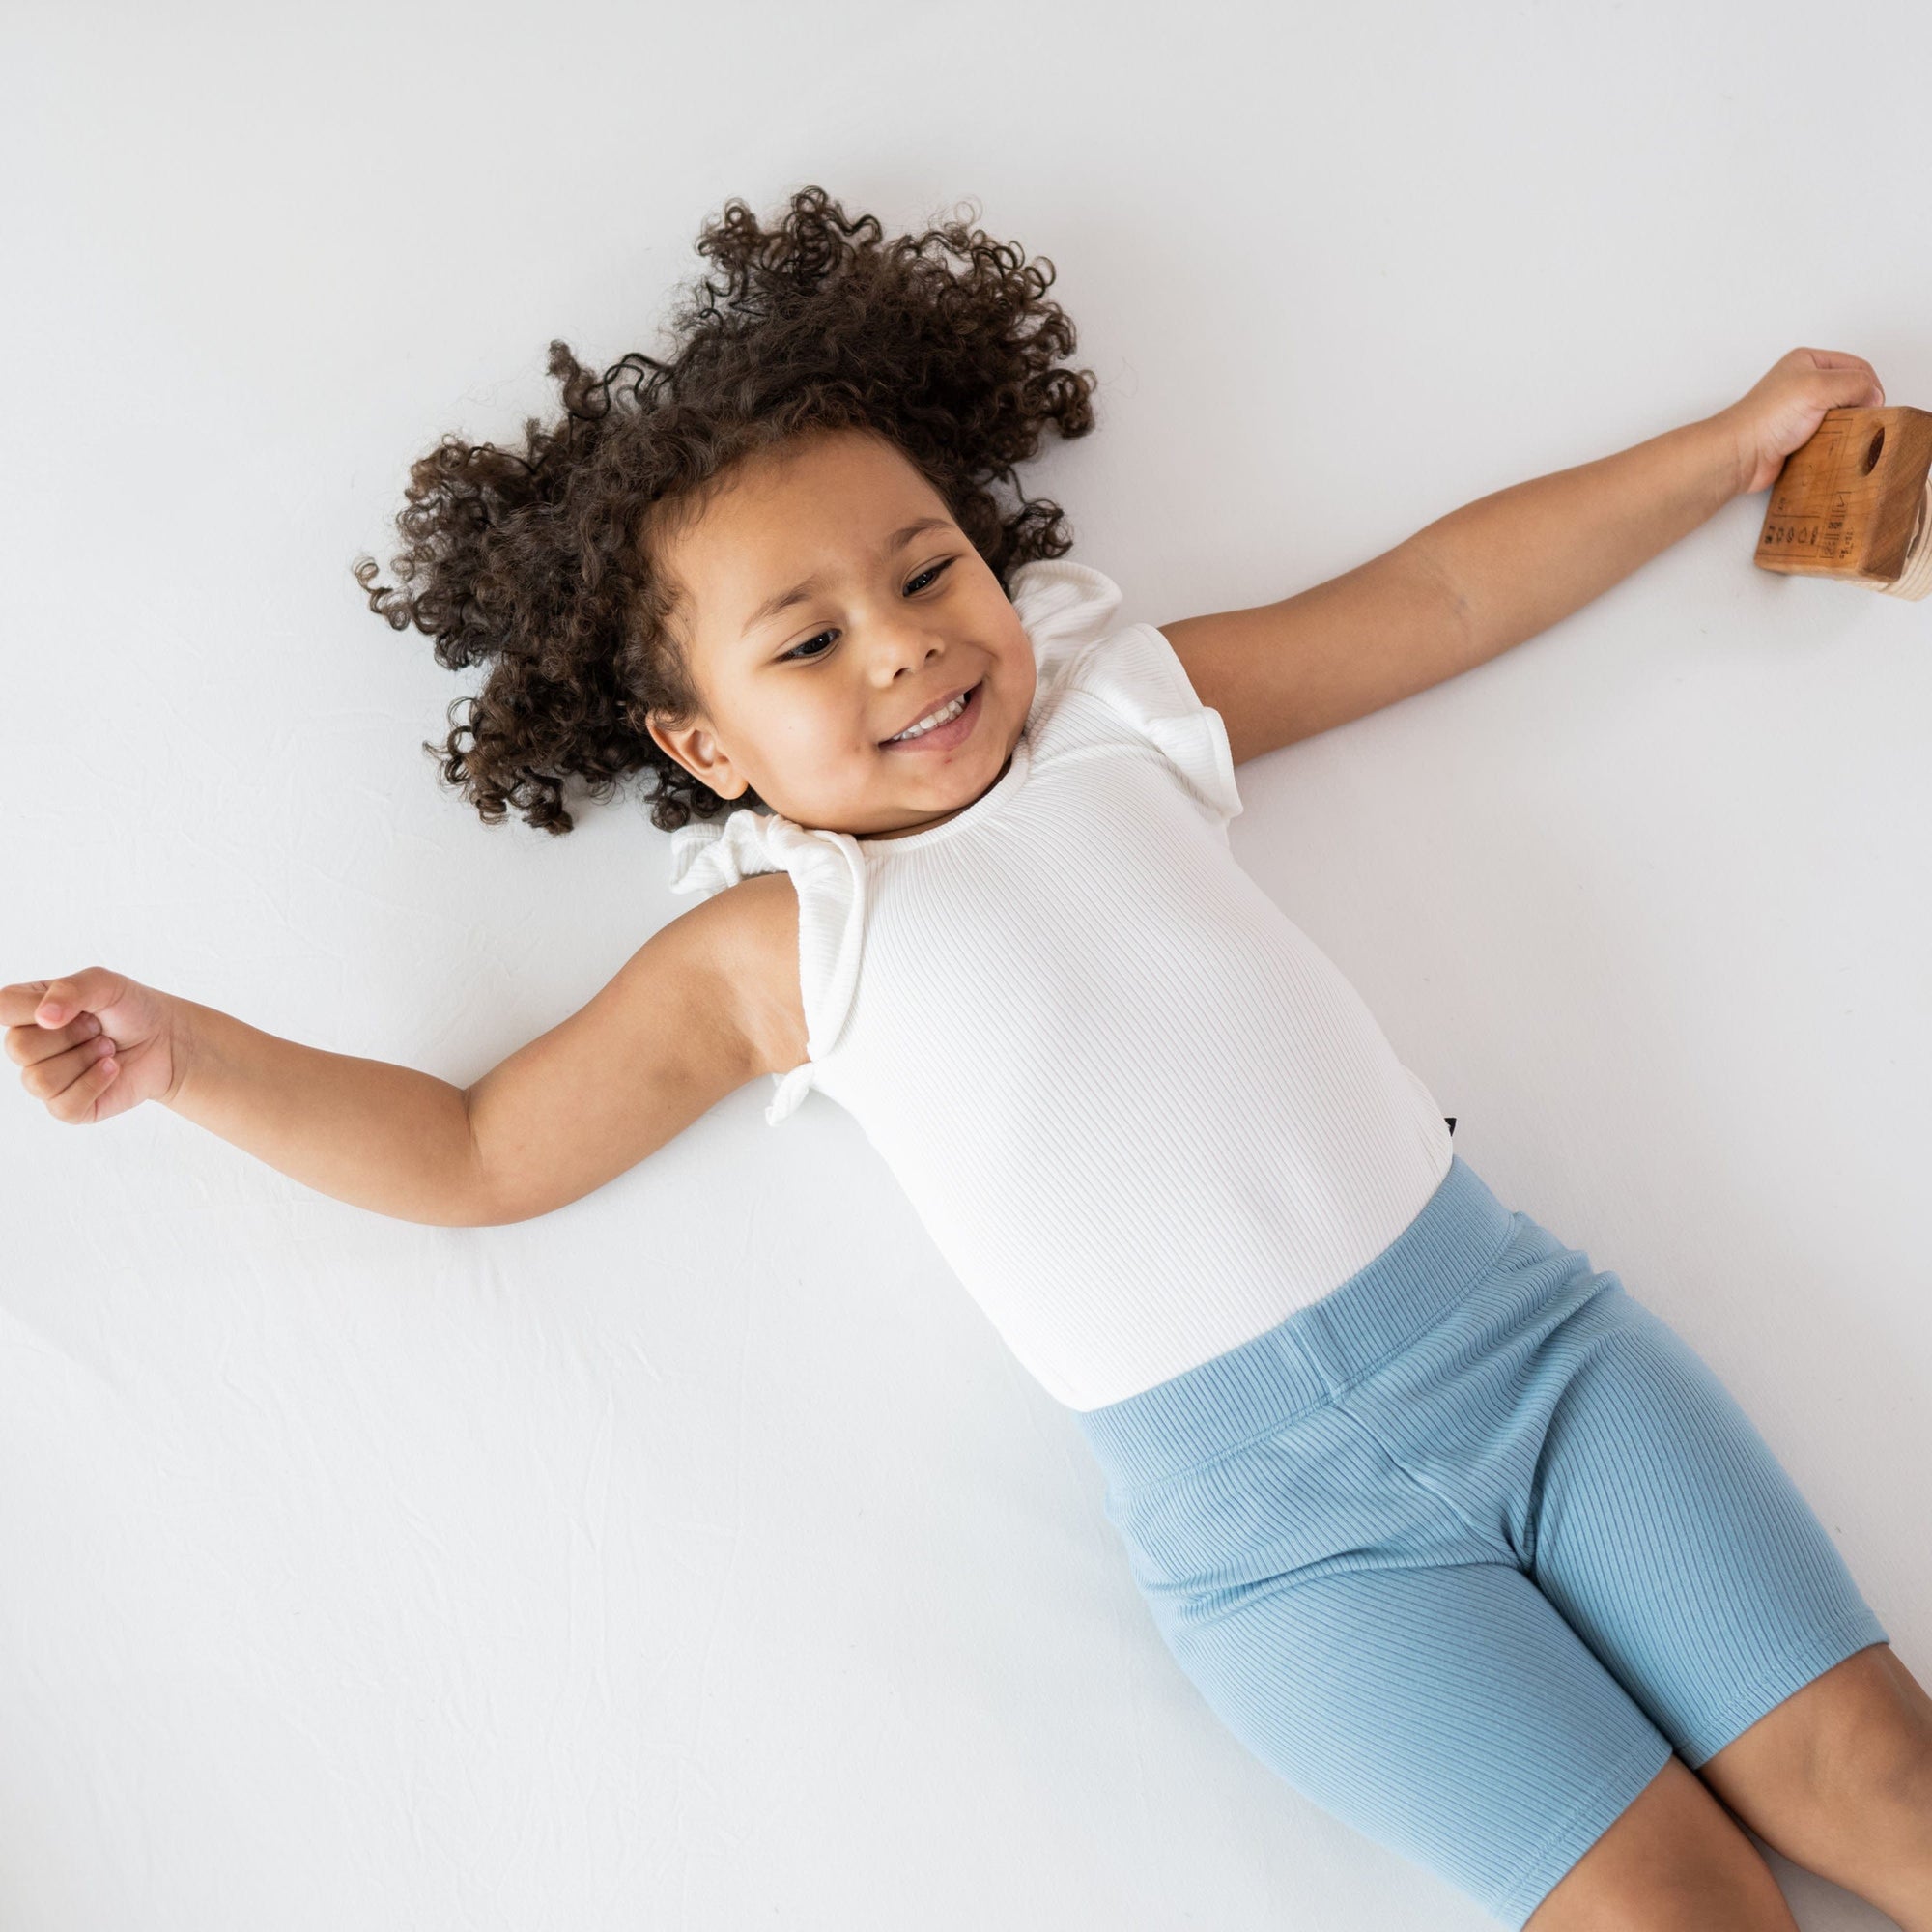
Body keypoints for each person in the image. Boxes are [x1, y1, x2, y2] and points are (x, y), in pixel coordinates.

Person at [8, 187, 1929, 1930]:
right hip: (1286, 1559)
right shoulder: (779, 947)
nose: (907, 652)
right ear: (707, 750)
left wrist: (1715, 456)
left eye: (927, 575)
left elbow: (1426, 604)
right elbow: (480, 1146)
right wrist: (192, 1058)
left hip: (1541, 1363)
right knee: (1680, 1914)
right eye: (808, 641)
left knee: (1884, 1789)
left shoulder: (1121, 722)